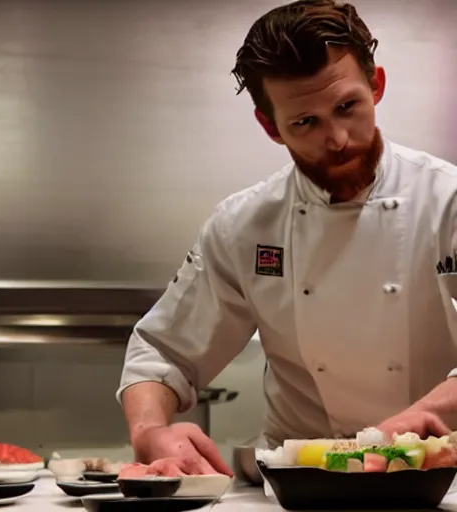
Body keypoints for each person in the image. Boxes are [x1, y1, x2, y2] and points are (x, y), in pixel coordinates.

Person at [116, 0, 457, 476]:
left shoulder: (448, 202)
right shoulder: (245, 224)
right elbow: (164, 351)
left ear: (376, 86)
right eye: (305, 122)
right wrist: (150, 430)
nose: (336, 138)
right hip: (294, 488)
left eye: (347, 107)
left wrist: (429, 415)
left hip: (438, 480)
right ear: (269, 126)